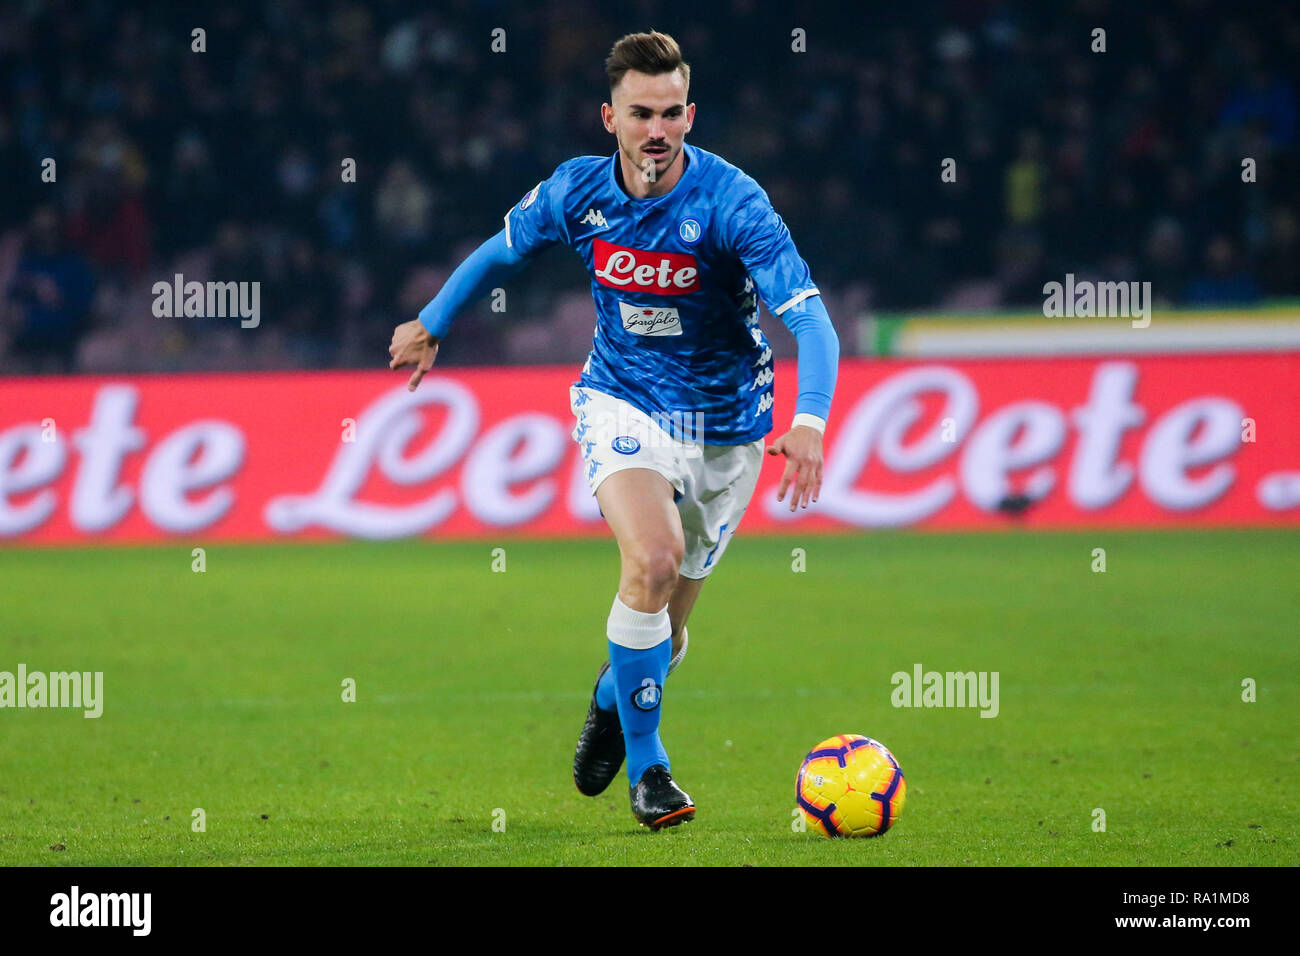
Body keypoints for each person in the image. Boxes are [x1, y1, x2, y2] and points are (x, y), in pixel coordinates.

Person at [388, 30, 838, 830]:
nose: (656, 130)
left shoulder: (734, 203)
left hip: (729, 429)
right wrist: (433, 320)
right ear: (610, 118)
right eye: (641, 114)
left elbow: (811, 320)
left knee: (666, 629)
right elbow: (500, 252)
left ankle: (611, 698)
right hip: (622, 401)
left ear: (690, 115)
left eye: (671, 113)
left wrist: (809, 421)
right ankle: (651, 770)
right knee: (653, 560)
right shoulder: (577, 192)